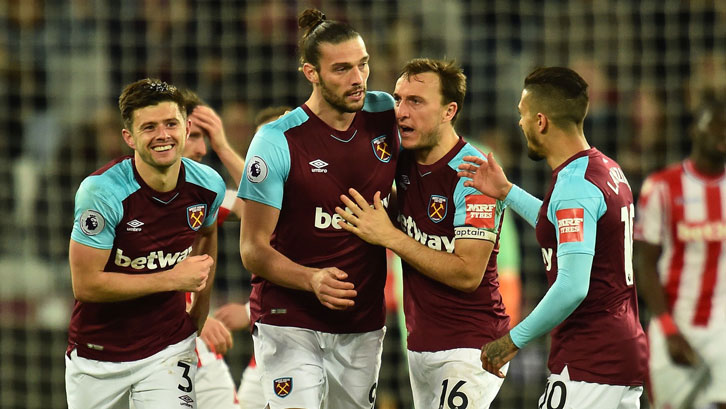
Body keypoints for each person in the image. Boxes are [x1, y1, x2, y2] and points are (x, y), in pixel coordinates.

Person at [457, 67, 648, 408]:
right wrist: (507, 192)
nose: (520, 123)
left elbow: (573, 286)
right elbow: (561, 225)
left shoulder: (575, 186)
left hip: (591, 359)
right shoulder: (605, 169)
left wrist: (512, 340)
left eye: (522, 114)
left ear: (541, 121)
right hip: (619, 353)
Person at [237, 8, 399, 408]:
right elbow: (252, 249)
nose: (358, 78)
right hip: (288, 317)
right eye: (342, 69)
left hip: (361, 321)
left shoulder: (386, 115)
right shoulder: (277, 140)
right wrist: (311, 279)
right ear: (310, 72)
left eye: (362, 65)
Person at [334, 58, 510, 408]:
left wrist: (389, 235)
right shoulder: (400, 161)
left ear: (449, 111)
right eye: (399, 99)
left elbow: (467, 273)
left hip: (472, 346)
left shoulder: (474, 176)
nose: (401, 112)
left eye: (416, 101)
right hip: (420, 346)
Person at [65, 78, 226, 409]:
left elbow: (208, 234)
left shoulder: (208, 185)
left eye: (171, 123)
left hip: (167, 348)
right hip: (98, 355)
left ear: (187, 126)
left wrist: (201, 305)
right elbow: (86, 285)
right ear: (130, 137)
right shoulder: (102, 192)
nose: (163, 135)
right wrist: (171, 278)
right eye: (149, 127)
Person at [634, 97, 726, 409]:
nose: (723, 133)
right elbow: (644, 261)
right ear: (694, 131)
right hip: (675, 323)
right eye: (714, 124)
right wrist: (668, 328)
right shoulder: (662, 187)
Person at [214, 104, 292, 409]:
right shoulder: (258, 205)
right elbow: (244, 202)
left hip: (321, 349)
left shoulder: (319, 199)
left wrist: (246, 313)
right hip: (269, 347)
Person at [180, 89, 244, 409]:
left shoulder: (205, 194)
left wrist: (224, 146)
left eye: (206, 140)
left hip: (200, 348)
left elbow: (263, 206)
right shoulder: (125, 197)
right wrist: (194, 318)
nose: (203, 150)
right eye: (194, 136)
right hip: (155, 348)